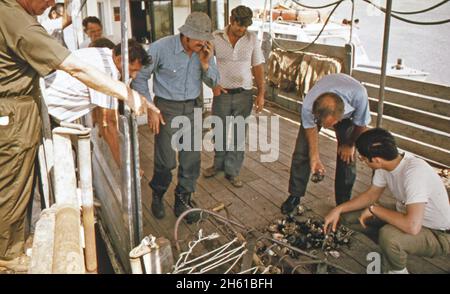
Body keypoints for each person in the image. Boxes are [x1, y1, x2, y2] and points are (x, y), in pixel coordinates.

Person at [0, 0, 150, 267]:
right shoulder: (19, 22)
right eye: (47, 0)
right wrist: (127, 94)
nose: (49, 5)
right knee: (12, 186)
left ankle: (15, 244)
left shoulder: (14, 14)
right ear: (121, 59)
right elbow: (105, 123)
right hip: (14, 115)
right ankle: (8, 255)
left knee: (20, 183)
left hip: (23, 111)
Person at [132, 12, 219, 224]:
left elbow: (214, 83)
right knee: (166, 160)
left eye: (204, 38)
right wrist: (151, 108)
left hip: (193, 107)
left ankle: (183, 200)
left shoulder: (205, 51)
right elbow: (140, 78)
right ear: (185, 35)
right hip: (167, 109)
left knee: (191, 160)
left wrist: (206, 64)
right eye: (197, 38)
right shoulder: (161, 48)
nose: (202, 43)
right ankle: (158, 194)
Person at [324, 128, 450, 274]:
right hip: (407, 215)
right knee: (349, 217)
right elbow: (371, 195)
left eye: (362, 158)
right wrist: (338, 209)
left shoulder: (414, 173)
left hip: (438, 233)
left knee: (389, 236)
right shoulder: (387, 164)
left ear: (376, 160)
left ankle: (397, 269)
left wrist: (374, 209)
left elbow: (412, 226)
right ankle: (391, 249)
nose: (362, 161)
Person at [281, 73, 371, 214]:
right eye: (323, 124)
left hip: (349, 112)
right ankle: (295, 195)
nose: (326, 127)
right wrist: (315, 158)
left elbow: (361, 124)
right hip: (322, 105)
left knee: (347, 157)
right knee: (302, 151)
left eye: (330, 125)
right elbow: (311, 129)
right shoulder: (309, 105)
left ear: (339, 117)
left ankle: (343, 202)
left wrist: (350, 145)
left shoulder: (359, 94)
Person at [202, 5, 265, 188]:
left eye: (245, 26)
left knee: (238, 134)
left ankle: (233, 170)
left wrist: (261, 93)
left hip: (244, 94)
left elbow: (258, 67)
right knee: (219, 130)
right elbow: (205, 62)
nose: (242, 29)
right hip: (222, 93)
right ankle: (218, 164)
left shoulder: (252, 38)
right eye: (239, 25)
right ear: (231, 20)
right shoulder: (215, 37)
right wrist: (213, 85)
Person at [44, 39, 150, 123]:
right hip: (46, 110)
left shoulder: (102, 53)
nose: (134, 76)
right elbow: (108, 123)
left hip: (47, 104)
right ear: (119, 59)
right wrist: (119, 151)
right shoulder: (108, 71)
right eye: (132, 70)